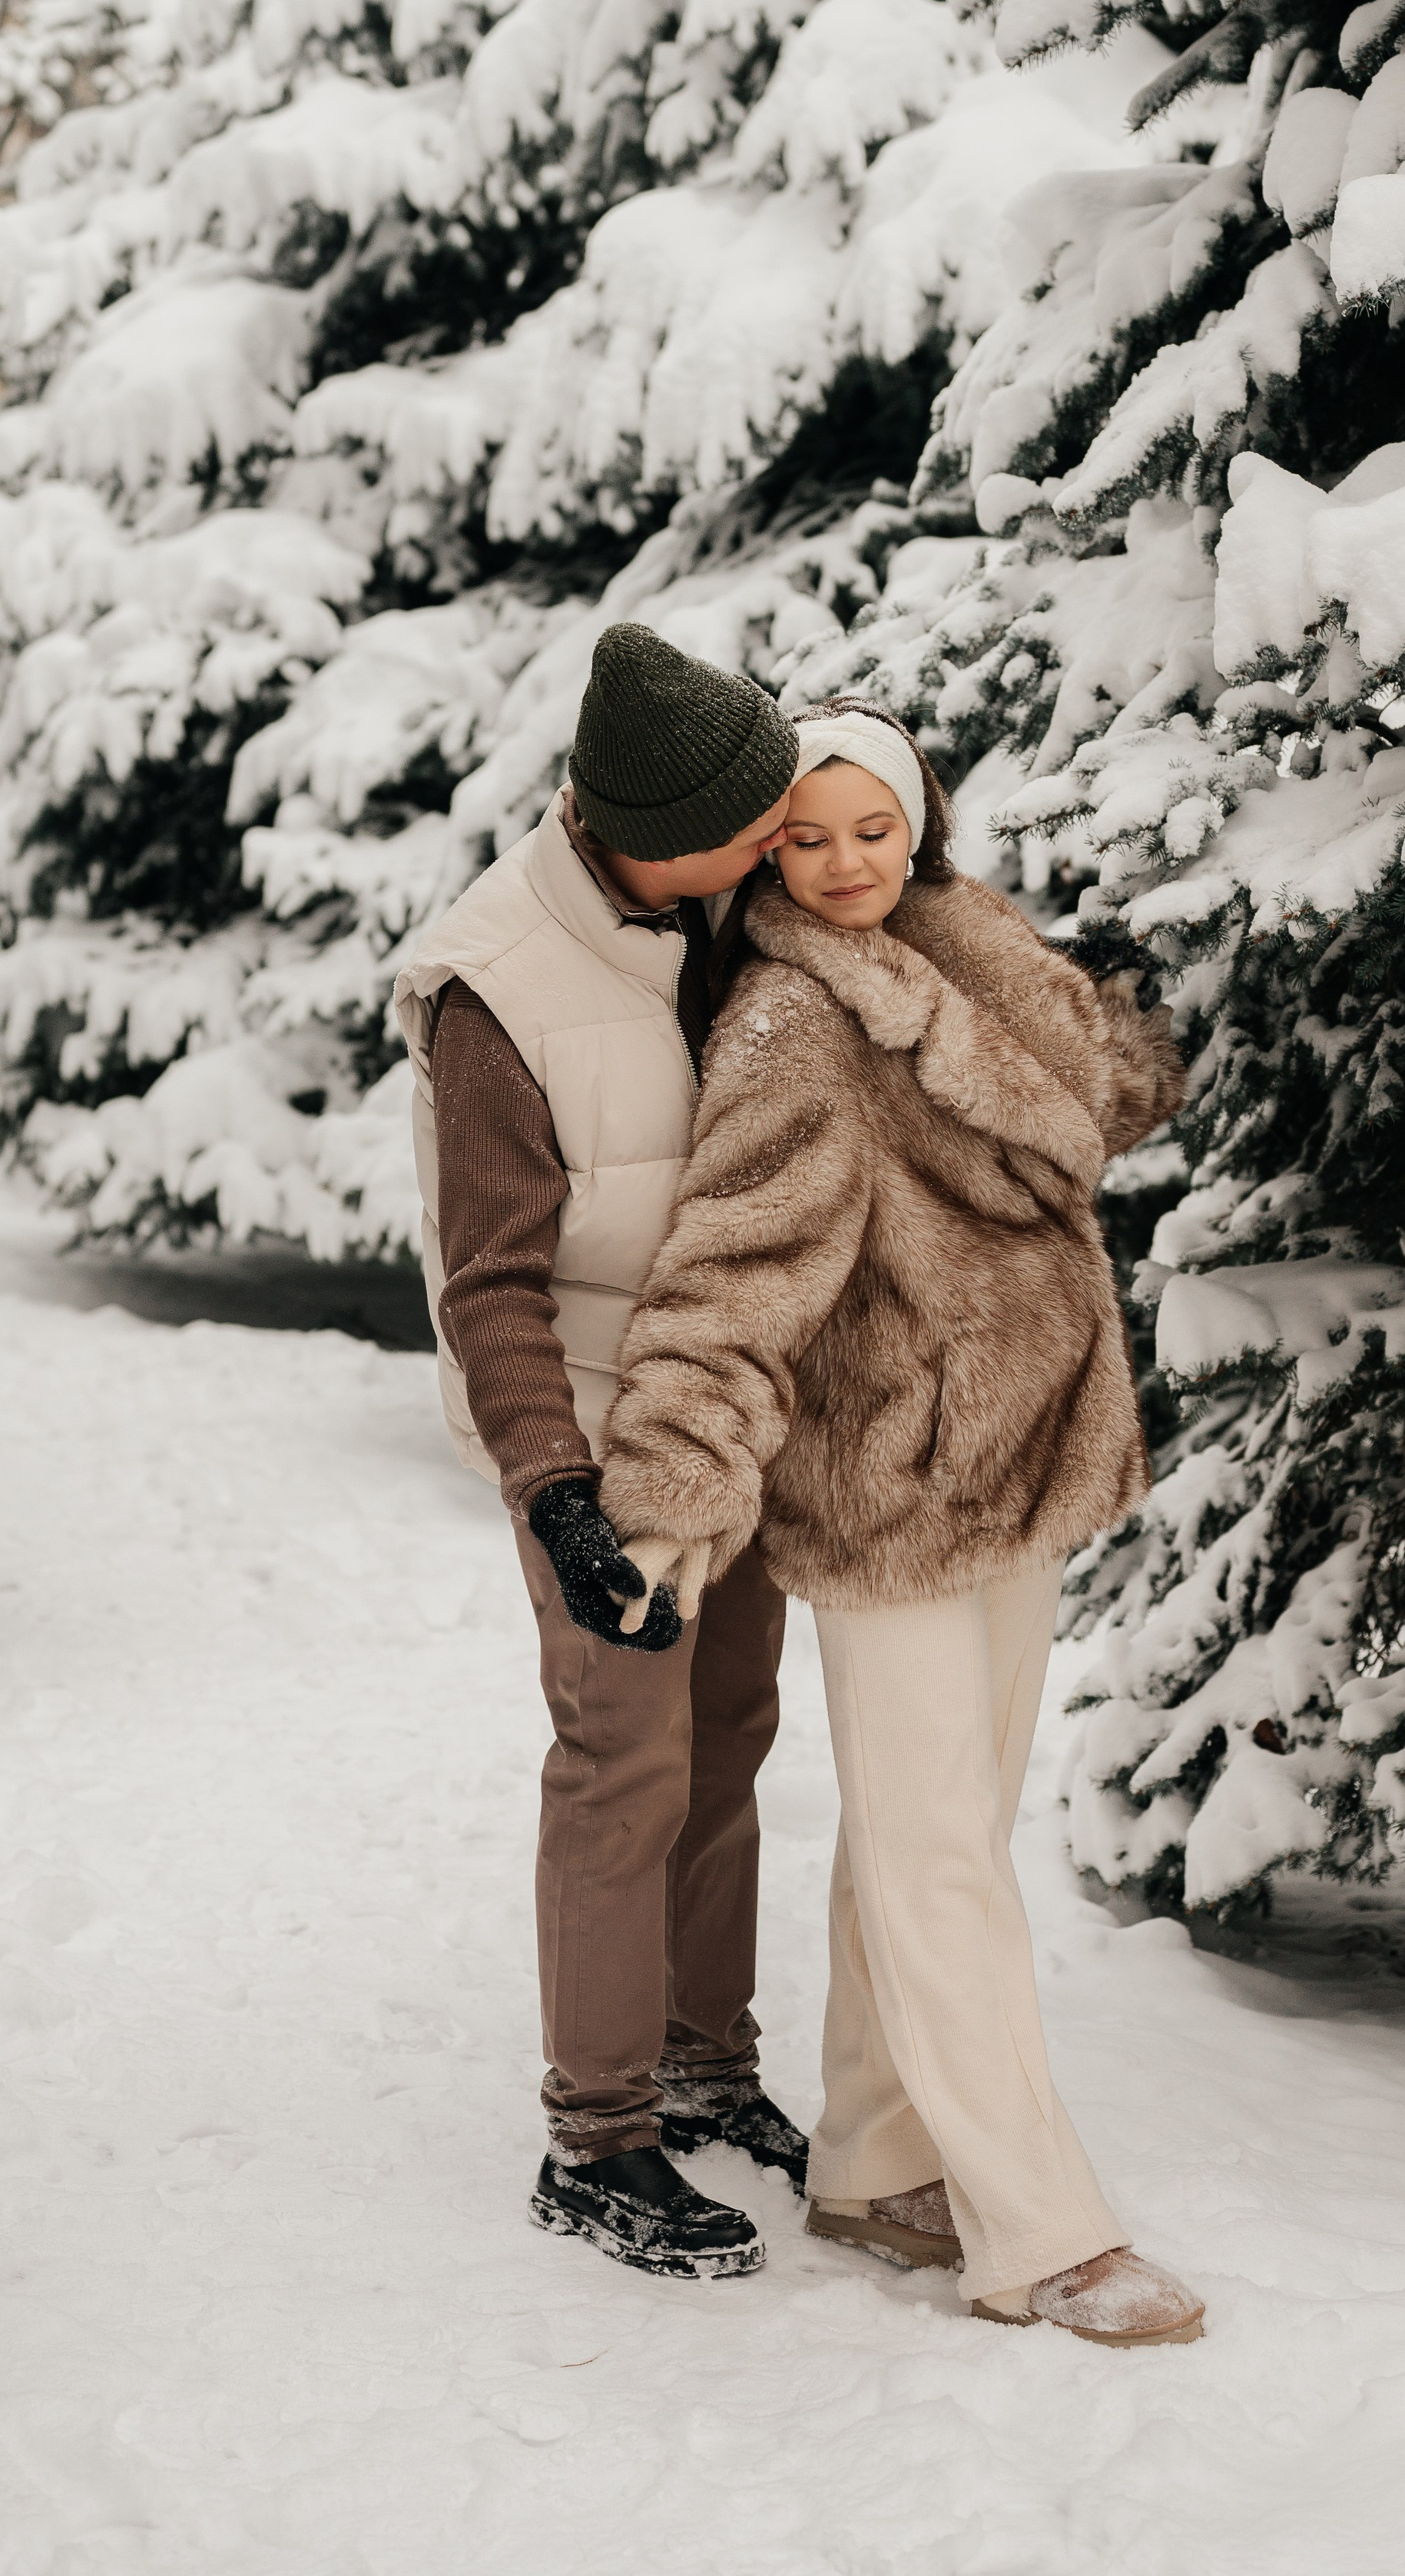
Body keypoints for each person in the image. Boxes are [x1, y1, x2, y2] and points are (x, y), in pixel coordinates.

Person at [599, 699, 1206, 2349]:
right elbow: (729, 1271)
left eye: (872, 826)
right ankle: (1040, 2231)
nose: (845, 861)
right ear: (763, 852)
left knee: (932, 1839)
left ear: (919, 819)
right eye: (806, 836)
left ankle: (874, 2161)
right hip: (887, 1492)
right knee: (940, 1855)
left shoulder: (968, 939)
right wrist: (668, 1481)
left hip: (1021, 1469)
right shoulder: (793, 1024)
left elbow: (1078, 1098)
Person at [393, 623, 810, 2284]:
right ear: (657, 832)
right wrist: (557, 1501)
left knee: (728, 1734)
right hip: (598, 1430)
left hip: (737, 1408)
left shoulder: (720, 903)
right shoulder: (494, 985)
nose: (783, 839)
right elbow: (484, 1283)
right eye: (755, 819)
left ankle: (711, 2063)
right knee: (623, 1761)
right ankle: (599, 2134)